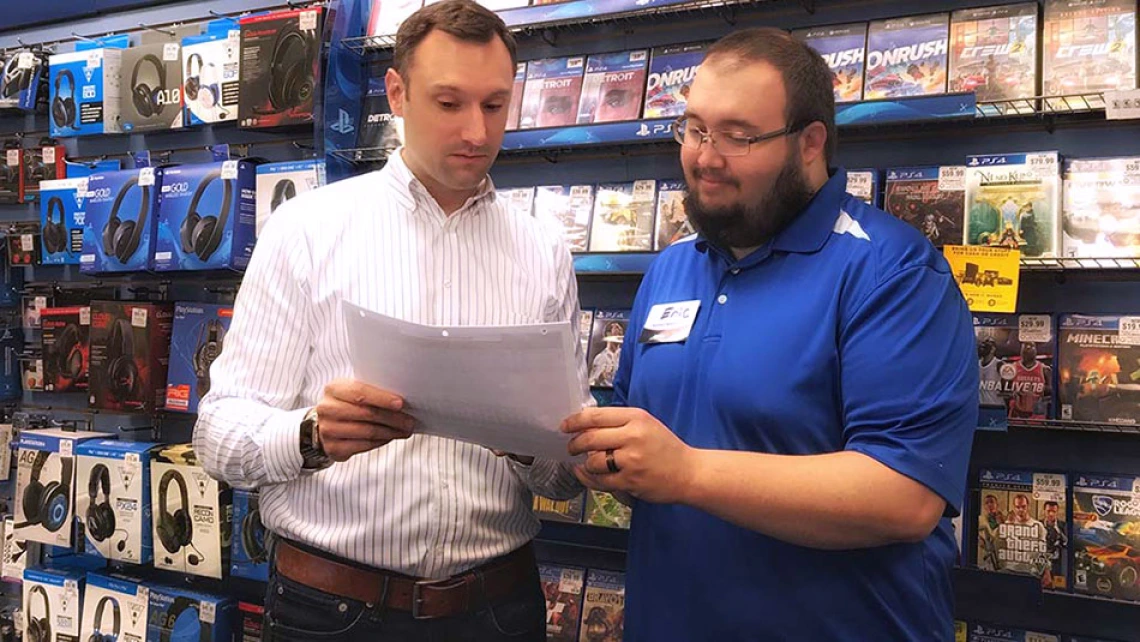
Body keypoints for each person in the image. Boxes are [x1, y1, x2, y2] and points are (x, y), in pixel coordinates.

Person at [560, 27, 977, 641]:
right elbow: (639, 456)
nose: (705, 156)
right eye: (695, 128)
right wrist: (602, 460)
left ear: (810, 144)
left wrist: (688, 472)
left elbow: (905, 496)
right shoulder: (672, 268)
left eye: (737, 135)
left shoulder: (894, 271)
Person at [192, 2, 586, 640]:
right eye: (449, 103)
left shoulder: (543, 251)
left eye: (494, 105)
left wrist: (534, 440)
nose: (478, 133)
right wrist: (313, 437)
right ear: (397, 94)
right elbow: (217, 436)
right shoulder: (306, 231)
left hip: (499, 607)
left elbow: (564, 481)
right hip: (332, 608)